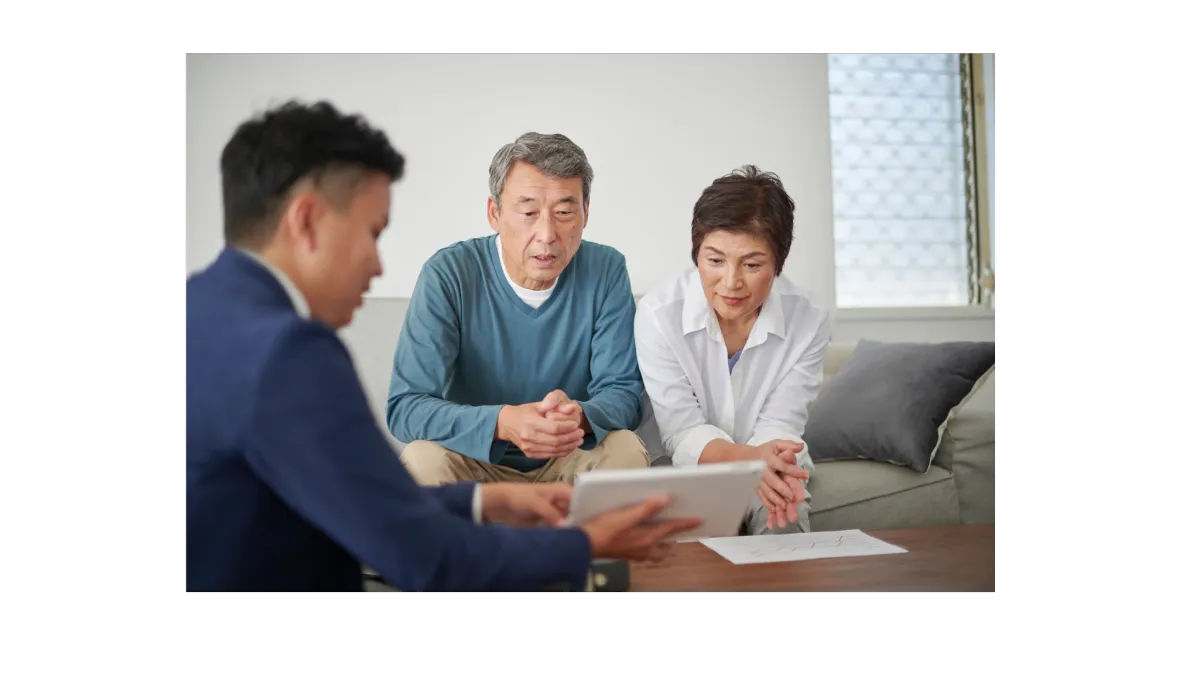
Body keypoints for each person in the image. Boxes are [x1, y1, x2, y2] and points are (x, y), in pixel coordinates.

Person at [185, 100, 699, 593]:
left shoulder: (203, 313)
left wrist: (482, 503)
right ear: (305, 221)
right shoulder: (290, 353)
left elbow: (368, 503)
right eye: (372, 232)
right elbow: (417, 549)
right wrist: (581, 543)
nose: (379, 266)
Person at [386, 131, 649, 487]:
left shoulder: (606, 269)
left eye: (564, 212)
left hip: (568, 458)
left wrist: (579, 417)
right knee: (421, 460)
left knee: (626, 450)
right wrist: (503, 422)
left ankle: (594, 544)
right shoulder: (449, 273)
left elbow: (624, 394)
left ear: (585, 214)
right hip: (474, 460)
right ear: (494, 213)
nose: (546, 233)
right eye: (528, 212)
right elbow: (406, 407)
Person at [633, 165, 831, 536]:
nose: (731, 282)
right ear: (696, 255)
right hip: (684, 465)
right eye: (715, 261)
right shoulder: (659, 314)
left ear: (778, 263)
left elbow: (781, 424)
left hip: (768, 457)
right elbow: (681, 431)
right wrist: (749, 463)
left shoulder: (809, 317)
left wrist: (764, 466)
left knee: (784, 513)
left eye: (752, 265)